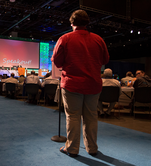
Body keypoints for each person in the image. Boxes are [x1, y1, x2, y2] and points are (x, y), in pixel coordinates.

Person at [51, 9, 109, 157]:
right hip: (93, 84)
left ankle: (72, 148)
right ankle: (92, 148)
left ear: (72, 23)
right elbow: (105, 60)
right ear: (87, 23)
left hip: (72, 84)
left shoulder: (65, 38)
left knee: (73, 116)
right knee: (91, 116)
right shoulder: (98, 39)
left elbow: (57, 62)